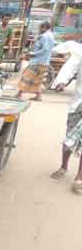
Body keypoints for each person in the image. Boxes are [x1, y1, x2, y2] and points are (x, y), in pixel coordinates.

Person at [51, 55, 82, 192]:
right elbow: (70, 66)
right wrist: (62, 81)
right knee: (69, 135)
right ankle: (63, 167)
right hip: (78, 103)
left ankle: (79, 178)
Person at [17, 22, 54, 101]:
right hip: (44, 62)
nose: (39, 30)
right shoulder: (51, 35)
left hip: (37, 61)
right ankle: (38, 96)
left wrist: (33, 54)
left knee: (26, 77)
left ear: (44, 27)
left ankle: (19, 94)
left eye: (40, 28)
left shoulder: (44, 36)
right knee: (38, 80)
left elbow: (45, 49)